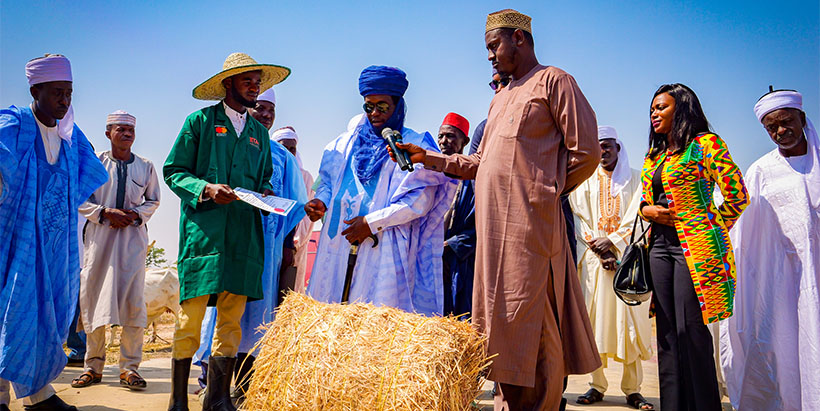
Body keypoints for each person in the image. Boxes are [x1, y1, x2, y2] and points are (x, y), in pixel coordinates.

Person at [393, 10, 602, 409]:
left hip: (532, 230)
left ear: (520, 39)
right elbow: (482, 164)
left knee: (536, 326)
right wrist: (430, 158)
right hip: (494, 237)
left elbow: (587, 152)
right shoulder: (501, 96)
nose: (489, 56)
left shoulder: (554, 81)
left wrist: (545, 192)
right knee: (502, 326)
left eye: (494, 46)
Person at [163, 52, 290, 411]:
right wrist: (205, 189)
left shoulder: (258, 136)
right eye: (248, 80)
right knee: (190, 320)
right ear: (228, 83)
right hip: (204, 236)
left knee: (231, 323)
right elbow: (174, 171)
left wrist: (264, 194)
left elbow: (263, 179)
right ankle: (177, 401)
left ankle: (217, 399)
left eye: (258, 81)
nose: (255, 86)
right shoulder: (199, 122)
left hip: (244, 239)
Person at [0, 54, 108, 411]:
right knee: (10, 310)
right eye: (57, 93)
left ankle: (38, 392)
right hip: (14, 239)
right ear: (35, 89)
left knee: (46, 314)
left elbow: (87, 170)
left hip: (53, 242)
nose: (64, 101)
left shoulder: (70, 137)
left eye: (69, 93)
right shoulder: (13, 126)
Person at [304, 65, 453, 315]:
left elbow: (419, 203)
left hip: (383, 246)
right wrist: (320, 201)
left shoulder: (413, 144)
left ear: (398, 105)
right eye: (368, 106)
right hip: (338, 244)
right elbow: (329, 183)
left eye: (382, 106)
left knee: (373, 324)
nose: (374, 113)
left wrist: (371, 223)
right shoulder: (343, 144)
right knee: (330, 321)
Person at [639, 83, 748, 411]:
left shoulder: (706, 146)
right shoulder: (654, 154)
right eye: (652, 108)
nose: (654, 114)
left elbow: (737, 196)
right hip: (658, 248)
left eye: (662, 107)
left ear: (682, 109)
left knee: (692, 332)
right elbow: (645, 202)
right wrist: (649, 211)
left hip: (695, 251)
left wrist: (707, 228)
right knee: (668, 335)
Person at [720, 88, 820, 410]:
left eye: (786, 122)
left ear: (802, 119)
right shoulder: (760, 171)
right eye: (771, 127)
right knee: (785, 349)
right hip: (780, 287)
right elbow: (741, 229)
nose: (780, 131)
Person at [71, 110, 161, 391]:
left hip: (132, 243)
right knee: (95, 300)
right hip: (99, 241)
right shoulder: (95, 163)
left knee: (134, 304)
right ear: (108, 133)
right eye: (120, 129)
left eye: (130, 130)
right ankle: (92, 367)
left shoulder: (145, 165)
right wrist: (104, 212)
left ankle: (130, 368)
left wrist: (134, 216)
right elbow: (80, 196)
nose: (127, 134)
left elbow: (154, 200)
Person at [569, 126, 653, 410]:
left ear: (618, 147)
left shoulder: (635, 178)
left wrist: (615, 243)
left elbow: (639, 215)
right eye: (598, 146)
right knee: (593, 326)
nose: (603, 151)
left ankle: (633, 390)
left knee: (628, 326)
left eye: (607, 146)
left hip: (627, 263)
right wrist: (598, 246)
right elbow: (578, 217)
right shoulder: (585, 179)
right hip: (593, 264)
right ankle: (597, 385)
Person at [271, 126, 315, 293]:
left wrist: (292, 244)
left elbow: (305, 217)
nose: (288, 153)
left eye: (292, 149)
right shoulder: (268, 173)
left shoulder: (304, 177)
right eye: (283, 147)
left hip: (294, 248)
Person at [437, 112, 473, 316]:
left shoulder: (472, 181)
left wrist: (451, 245)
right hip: (429, 258)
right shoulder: (430, 174)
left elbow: (481, 226)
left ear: (465, 141)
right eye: (441, 136)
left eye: (450, 136)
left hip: (460, 264)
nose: (444, 142)